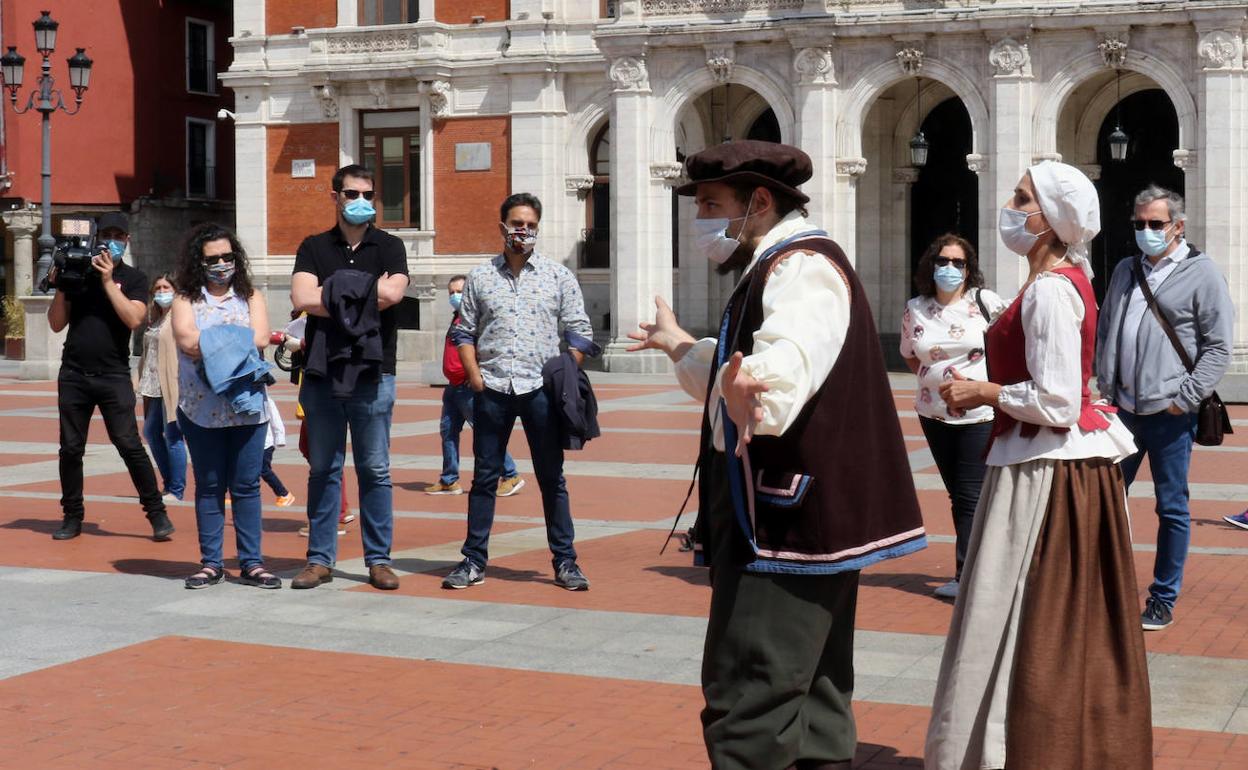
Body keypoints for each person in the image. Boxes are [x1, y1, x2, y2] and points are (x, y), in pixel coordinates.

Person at [628, 140, 927, 770]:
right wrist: (682, 345)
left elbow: (787, 358)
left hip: (786, 521)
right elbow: (741, 371)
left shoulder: (801, 266)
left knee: (749, 695)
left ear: (759, 201)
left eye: (713, 204)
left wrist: (760, 386)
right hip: (795, 517)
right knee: (814, 693)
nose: (703, 219)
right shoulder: (774, 262)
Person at [925, 162, 1150, 770]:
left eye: (1023, 199)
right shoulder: (1057, 279)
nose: (1012, 206)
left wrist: (985, 393)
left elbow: (1056, 401)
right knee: (1034, 610)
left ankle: (1017, 749)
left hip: (1047, 469)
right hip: (1052, 461)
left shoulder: (1052, 288)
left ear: (1050, 221)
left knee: (1020, 605)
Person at [1094, 185, 1235, 631]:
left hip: (1170, 414)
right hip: (1122, 410)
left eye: (1156, 224)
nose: (1147, 232)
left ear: (1178, 225)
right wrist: (1103, 385)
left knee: (1171, 506)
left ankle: (1162, 596)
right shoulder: (1124, 269)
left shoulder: (1203, 272)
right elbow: (1106, 329)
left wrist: (1185, 399)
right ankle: (1099, 587)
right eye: (1139, 224)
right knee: (1103, 499)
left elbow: (1218, 347)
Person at [442, 193, 599, 592]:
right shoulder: (480, 277)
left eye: (530, 225)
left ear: (537, 229)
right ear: (502, 227)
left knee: (552, 478)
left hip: (540, 391)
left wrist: (566, 371)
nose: (522, 231)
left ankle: (566, 562)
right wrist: (475, 378)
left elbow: (580, 329)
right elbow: (464, 329)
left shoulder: (558, 276)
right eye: (516, 223)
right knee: (484, 478)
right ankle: (473, 560)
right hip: (492, 388)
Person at [289, 164, 409, 591]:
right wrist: (364, 293)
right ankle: (320, 560)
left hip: (375, 374)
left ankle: (378, 560)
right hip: (322, 373)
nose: (361, 201)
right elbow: (302, 298)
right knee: (323, 469)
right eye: (352, 193)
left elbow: (394, 295)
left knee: (375, 470)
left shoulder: (390, 246)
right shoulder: (314, 246)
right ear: (335, 196)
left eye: (368, 194)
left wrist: (334, 290)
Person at [47, 211, 175, 542]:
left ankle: (157, 514)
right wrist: (64, 282)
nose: (112, 241)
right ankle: (72, 516)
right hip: (74, 373)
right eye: (106, 235)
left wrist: (106, 280)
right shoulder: (79, 272)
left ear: (127, 240)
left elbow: (134, 318)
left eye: (118, 236)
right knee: (70, 449)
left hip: (113, 375)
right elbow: (56, 323)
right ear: (96, 237)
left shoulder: (133, 277)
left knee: (129, 443)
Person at [171, 223, 279, 590]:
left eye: (227, 256)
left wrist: (214, 342)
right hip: (200, 408)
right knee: (210, 485)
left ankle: (252, 563)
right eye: (212, 258)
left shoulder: (252, 297)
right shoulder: (186, 299)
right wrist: (238, 342)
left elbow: (262, 338)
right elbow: (187, 340)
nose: (221, 264)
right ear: (198, 262)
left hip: (248, 407)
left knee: (247, 485)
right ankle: (211, 563)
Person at [901, 235, 1007, 600]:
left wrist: (987, 385)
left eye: (958, 263)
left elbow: (1010, 342)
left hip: (979, 412)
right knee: (956, 492)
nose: (950, 269)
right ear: (931, 265)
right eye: (943, 261)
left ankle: (970, 574)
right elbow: (910, 354)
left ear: (969, 267)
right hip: (932, 413)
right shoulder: (916, 308)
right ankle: (975, 569)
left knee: (969, 495)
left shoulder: (985, 302)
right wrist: (931, 380)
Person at [426, 274, 524, 497]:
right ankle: (449, 479)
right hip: (453, 387)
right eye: (451, 292)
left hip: (468, 386)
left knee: (485, 431)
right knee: (448, 431)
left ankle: (510, 474)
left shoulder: (476, 319)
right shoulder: (456, 318)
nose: (455, 296)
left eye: (459, 291)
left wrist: (476, 373)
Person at [136, 273, 188, 504]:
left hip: (172, 384)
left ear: (176, 291)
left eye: (166, 287)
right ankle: (169, 483)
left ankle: (176, 488)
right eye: (157, 288)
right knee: (150, 432)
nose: (161, 291)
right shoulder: (156, 318)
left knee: (173, 435)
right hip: (152, 384)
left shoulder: (179, 318)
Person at [260, 392, 295, 507]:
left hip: (266, 444)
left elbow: (276, 420)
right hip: (255, 444)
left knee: (264, 470)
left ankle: (284, 493)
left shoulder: (267, 401)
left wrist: (280, 439)